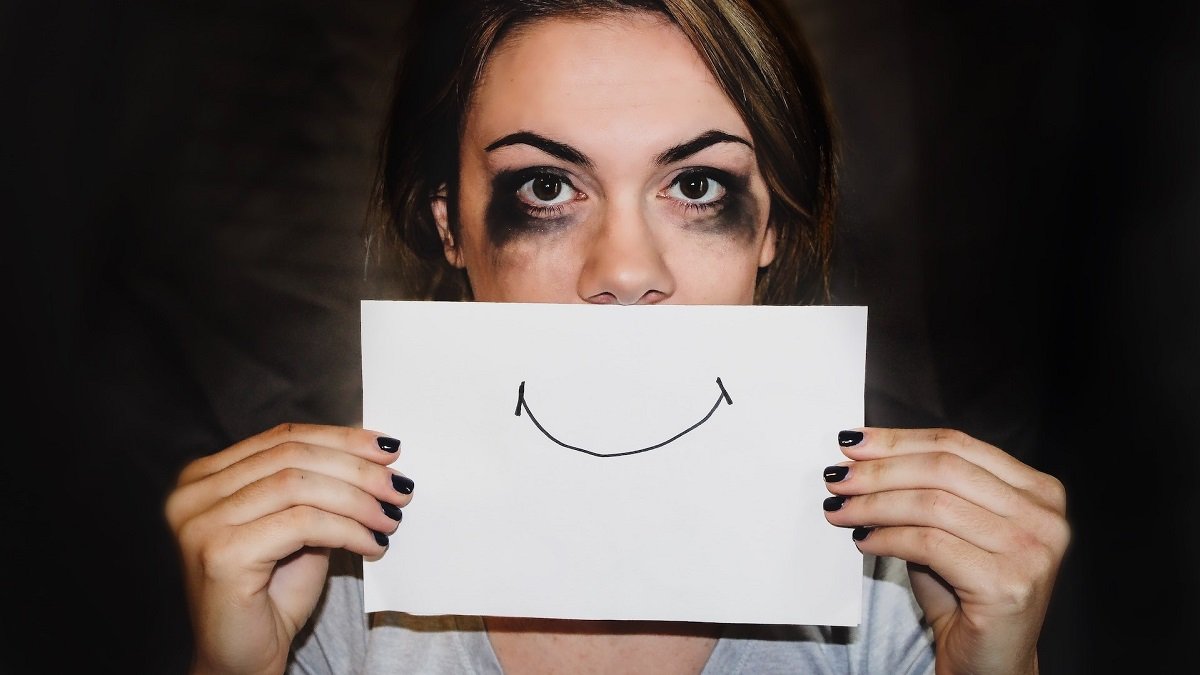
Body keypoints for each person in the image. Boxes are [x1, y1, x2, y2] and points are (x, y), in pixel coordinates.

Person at [165, 0, 1070, 673]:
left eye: (698, 186)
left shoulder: (901, 599)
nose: (626, 269)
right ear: (452, 227)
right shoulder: (320, 596)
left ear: (771, 228)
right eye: (546, 187)